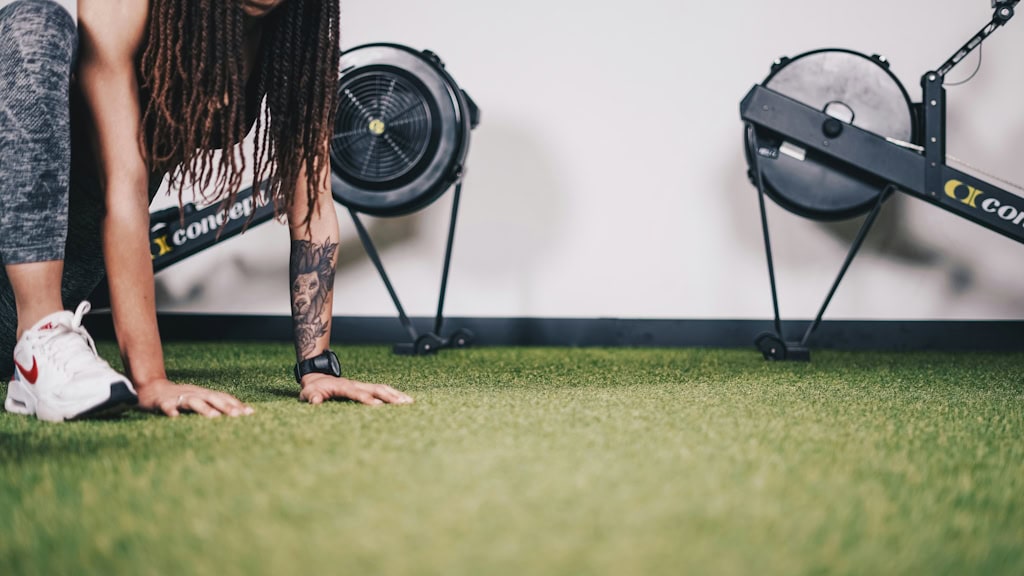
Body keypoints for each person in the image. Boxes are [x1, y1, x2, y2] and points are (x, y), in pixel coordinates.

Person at [0, 0, 412, 422]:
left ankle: (40, 348)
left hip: (35, 300)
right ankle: (41, 334)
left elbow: (313, 199)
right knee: (33, 20)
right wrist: (150, 380)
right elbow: (123, 186)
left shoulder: (293, 32)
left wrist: (317, 367)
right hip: (24, 294)